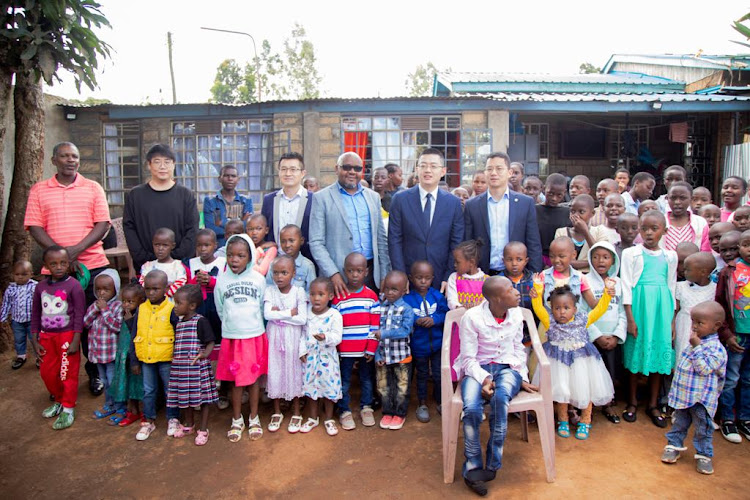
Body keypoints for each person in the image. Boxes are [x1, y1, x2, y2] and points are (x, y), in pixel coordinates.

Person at [25, 141, 111, 395]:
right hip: (56, 273)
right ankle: (61, 377)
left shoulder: (92, 187)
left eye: (74, 156)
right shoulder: (39, 190)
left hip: (92, 267)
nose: (70, 160)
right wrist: (61, 258)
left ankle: (94, 373)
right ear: (54, 160)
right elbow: (34, 226)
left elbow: (102, 224)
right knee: (58, 327)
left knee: (91, 324)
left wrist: (73, 251)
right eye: (64, 156)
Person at [453, 277, 537, 496]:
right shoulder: (472, 318)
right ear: (497, 299)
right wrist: (484, 379)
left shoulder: (517, 313)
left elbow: (519, 349)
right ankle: (473, 465)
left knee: (501, 400)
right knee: (471, 409)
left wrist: (522, 376)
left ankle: (492, 464)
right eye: (510, 289)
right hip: (477, 369)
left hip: (507, 368)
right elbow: (468, 359)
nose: (517, 292)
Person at [530, 278, 616, 440]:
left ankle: (585, 419)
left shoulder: (584, 320)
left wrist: (607, 294)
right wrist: (537, 291)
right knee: (562, 389)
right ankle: (563, 420)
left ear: (575, 309)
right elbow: (538, 308)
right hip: (558, 364)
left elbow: (599, 310)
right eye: (557, 308)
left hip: (582, 362)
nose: (562, 312)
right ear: (552, 309)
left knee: (585, 389)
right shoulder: (549, 321)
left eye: (566, 307)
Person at [621, 210, 677, 427]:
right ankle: (632, 402)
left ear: (664, 230)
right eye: (644, 228)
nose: (649, 233)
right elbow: (626, 285)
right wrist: (630, 318)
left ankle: (653, 404)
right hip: (639, 306)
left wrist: (671, 320)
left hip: (661, 309)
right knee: (637, 352)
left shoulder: (670, 256)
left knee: (657, 356)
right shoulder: (631, 254)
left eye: (654, 228)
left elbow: (671, 287)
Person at [309, 152, 390, 298]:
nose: (352, 171)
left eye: (357, 168)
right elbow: (316, 242)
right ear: (336, 169)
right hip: (339, 276)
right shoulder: (321, 198)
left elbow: (381, 240)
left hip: (371, 274)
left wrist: (384, 274)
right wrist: (333, 273)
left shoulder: (373, 197)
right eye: (346, 167)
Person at [661, 302, 727, 475]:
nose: (695, 327)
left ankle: (704, 455)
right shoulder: (694, 343)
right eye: (693, 322)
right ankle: (674, 445)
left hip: (702, 400)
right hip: (685, 396)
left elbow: (703, 369)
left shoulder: (716, 349)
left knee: (703, 429)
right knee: (679, 423)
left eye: (700, 323)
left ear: (716, 326)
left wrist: (697, 347)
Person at [214, 234, 268, 442]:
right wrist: (231, 325)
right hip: (233, 338)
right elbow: (220, 308)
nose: (234, 259)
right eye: (230, 255)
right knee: (236, 382)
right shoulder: (222, 280)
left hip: (254, 336)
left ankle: (254, 417)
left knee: (253, 380)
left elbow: (262, 307)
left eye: (241, 255)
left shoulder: (258, 279)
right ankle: (237, 420)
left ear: (250, 257)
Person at [388, 148, 464, 290]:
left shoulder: (453, 203)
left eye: (433, 166)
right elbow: (394, 240)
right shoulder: (400, 199)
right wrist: (401, 275)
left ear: (443, 171)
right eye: (423, 166)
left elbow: (456, 242)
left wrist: (449, 276)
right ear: (417, 169)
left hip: (440, 275)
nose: (428, 170)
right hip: (409, 276)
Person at [32, 246, 86, 430]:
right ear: (45, 266)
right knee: (47, 372)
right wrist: (34, 338)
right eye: (53, 264)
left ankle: (69, 408)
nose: (59, 267)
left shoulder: (74, 286)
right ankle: (59, 400)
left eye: (63, 263)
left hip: (67, 336)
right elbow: (36, 313)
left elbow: (79, 314)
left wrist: (76, 339)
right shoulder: (40, 287)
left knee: (66, 373)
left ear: (69, 264)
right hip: (47, 337)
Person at [123, 143, 199, 272]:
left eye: (167, 162)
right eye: (157, 162)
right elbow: (129, 228)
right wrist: (145, 258)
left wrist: (175, 257)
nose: (162, 166)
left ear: (174, 164)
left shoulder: (185, 195)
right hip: (145, 265)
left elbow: (192, 229)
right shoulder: (135, 195)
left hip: (179, 266)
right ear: (149, 165)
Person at [465, 152, 543, 274]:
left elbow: (533, 243)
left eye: (499, 169)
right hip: (482, 273)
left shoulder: (525, 203)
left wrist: (534, 274)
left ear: (509, 172)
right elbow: (468, 243)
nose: (493, 173)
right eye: (489, 169)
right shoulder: (472, 205)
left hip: (516, 274)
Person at [129, 270, 181, 441]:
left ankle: (173, 418)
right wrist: (134, 360)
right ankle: (148, 420)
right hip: (146, 358)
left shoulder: (172, 309)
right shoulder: (141, 309)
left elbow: (178, 334)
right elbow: (134, 334)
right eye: (148, 289)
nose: (151, 293)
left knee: (170, 390)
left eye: (156, 289)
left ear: (166, 288)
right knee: (148, 391)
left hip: (167, 358)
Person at [331, 252, 380, 430]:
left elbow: (375, 326)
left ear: (366, 272)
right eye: (350, 271)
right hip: (345, 350)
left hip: (365, 349)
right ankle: (344, 410)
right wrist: (337, 348)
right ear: (344, 271)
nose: (355, 275)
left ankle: (366, 407)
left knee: (366, 379)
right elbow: (334, 324)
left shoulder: (371, 296)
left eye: (359, 271)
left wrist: (371, 348)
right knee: (344, 380)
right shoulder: (339, 297)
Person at [166, 285, 217, 445]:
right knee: (184, 398)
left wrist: (204, 354)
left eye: (178, 303)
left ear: (192, 306)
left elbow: (210, 342)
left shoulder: (200, 321)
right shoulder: (179, 323)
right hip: (181, 369)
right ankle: (189, 424)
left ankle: (203, 428)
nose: (175, 307)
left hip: (197, 369)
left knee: (203, 399)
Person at [264, 255, 308, 434]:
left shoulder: (299, 292)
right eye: (276, 273)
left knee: (294, 371)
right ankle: (277, 411)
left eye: (284, 272)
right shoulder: (269, 291)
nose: (279, 277)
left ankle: (296, 411)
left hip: (293, 338)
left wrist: (279, 314)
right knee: (275, 370)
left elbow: (302, 319)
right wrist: (290, 312)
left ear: (293, 273)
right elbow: (267, 315)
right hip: (274, 337)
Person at [585, 241, 627, 423]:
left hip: (612, 339)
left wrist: (616, 336)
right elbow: (582, 312)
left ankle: (608, 404)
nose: (600, 261)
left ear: (613, 260)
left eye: (605, 257)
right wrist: (597, 336)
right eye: (595, 256)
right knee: (591, 373)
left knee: (610, 373)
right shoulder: (585, 281)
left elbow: (622, 311)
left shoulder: (618, 283)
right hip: (593, 338)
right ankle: (588, 406)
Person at [715, 228, 750, 443]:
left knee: (748, 379)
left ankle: (745, 419)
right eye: (746, 245)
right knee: (731, 378)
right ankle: (728, 418)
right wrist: (727, 334)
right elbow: (720, 305)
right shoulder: (729, 272)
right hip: (737, 336)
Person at [403, 260, 448, 423]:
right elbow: (404, 316)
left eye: (427, 278)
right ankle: (422, 404)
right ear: (411, 278)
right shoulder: (407, 299)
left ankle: (441, 401)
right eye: (419, 277)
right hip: (419, 346)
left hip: (437, 344)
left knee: (438, 374)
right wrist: (416, 320)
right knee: (421, 375)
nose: (423, 281)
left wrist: (434, 319)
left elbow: (446, 314)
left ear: (432, 278)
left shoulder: (437, 295)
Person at [299, 277, 343, 436]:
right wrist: (302, 351)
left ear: (330, 296)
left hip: (327, 359)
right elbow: (302, 335)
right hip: (311, 359)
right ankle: (312, 418)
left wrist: (325, 337)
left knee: (328, 388)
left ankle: (329, 418)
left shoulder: (335, 315)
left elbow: (338, 337)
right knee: (311, 388)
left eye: (320, 294)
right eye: (312, 294)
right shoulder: (306, 315)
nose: (316, 298)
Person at [375, 270, 416, 430]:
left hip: (401, 357)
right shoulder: (380, 308)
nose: (390, 292)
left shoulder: (407, 310)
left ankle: (399, 414)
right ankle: (387, 412)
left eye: (394, 289)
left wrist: (384, 334)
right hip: (383, 356)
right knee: (383, 386)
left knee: (401, 388)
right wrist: (377, 353)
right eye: (387, 288)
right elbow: (374, 331)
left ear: (404, 290)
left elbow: (405, 331)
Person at [83, 269, 123, 420]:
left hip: (111, 355)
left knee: (113, 381)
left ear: (115, 290)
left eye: (106, 289)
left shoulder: (117, 307)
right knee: (105, 381)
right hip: (98, 354)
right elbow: (85, 323)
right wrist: (95, 309)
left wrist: (105, 310)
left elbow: (116, 326)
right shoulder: (94, 306)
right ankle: (109, 405)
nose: (102, 293)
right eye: (98, 289)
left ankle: (120, 408)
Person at [261, 152, 315, 264]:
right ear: (279, 172)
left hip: (305, 262)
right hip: (275, 264)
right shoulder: (269, 200)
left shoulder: (314, 200)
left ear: (302, 173)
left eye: (293, 169)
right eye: (283, 169)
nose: (288, 173)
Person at [108, 282, 145, 427]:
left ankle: (143, 412)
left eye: (130, 301)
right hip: (123, 354)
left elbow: (136, 333)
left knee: (139, 384)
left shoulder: (141, 314)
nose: (126, 305)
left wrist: (130, 320)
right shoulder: (122, 313)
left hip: (136, 355)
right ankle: (133, 411)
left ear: (140, 301)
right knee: (127, 382)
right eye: (124, 301)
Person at [673, 253, 717, 366]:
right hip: (682, 326)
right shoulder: (681, 286)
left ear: (703, 272)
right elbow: (675, 309)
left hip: (703, 329)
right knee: (680, 354)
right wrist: (672, 325)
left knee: (699, 358)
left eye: (688, 270)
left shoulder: (714, 289)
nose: (684, 272)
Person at [186, 228, 224, 347]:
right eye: (199, 245)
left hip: (217, 307)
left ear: (215, 245)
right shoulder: (191, 263)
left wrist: (211, 281)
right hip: (198, 307)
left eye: (207, 245)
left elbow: (226, 285)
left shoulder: (223, 263)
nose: (203, 249)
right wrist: (196, 281)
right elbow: (186, 288)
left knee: (217, 338)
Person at [203, 165, 253, 246]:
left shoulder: (246, 201)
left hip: (241, 246)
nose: (230, 179)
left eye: (233, 176)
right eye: (226, 176)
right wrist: (239, 224)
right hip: (218, 247)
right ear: (219, 178)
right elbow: (211, 228)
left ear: (238, 179)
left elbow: (248, 226)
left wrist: (221, 223)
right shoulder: (210, 201)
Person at [2, 260, 37, 370]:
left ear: (31, 274)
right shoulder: (11, 289)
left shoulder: (34, 286)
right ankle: (21, 356)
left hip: (32, 320)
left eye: (24, 274)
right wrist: (2, 317)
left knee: (35, 339)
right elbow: (6, 304)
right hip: (17, 321)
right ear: (13, 275)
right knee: (19, 339)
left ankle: (39, 357)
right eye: (17, 274)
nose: (20, 277)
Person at [138, 228, 187, 298]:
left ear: (172, 246)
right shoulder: (147, 266)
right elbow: (142, 282)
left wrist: (160, 296)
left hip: (170, 305)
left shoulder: (178, 266)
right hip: (150, 305)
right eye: (157, 245)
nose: (160, 248)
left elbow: (180, 285)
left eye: (165, 245)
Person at [662, 182, 711, 252]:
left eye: (682, 198)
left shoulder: (700, 223)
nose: (677, 202)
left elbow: (705, 251)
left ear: (691, 199)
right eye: (673, 198)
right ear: (667, 199)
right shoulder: (660, 222)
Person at [536, 173, 571, 266]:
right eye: (550, 193)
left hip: (560, 260)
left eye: (559, 195)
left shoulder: (567, 213)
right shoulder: (534, 210)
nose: (554, 198)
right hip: (538, 258)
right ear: (544, 189)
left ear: (565, 192)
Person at [555, 194, 595, 272]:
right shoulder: (561, 232)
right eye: (573, 211)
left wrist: (585, 232)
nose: (576, 215)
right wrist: (591, 262)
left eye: (581, 212)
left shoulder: (599, 231)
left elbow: (599, 254)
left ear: (592, 213)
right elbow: (561, 260)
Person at [446, 240, 489, 310]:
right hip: (459, 317)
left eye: (458, 262)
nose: (454, 265)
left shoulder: (487, 281)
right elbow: (451, 300)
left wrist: (478, 305)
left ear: (471, 262)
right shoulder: (454, 278)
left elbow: (488, 302)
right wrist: (459, 307)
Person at [275, 224, 316, 291]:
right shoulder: (275, 264)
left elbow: (311, 292)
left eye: (291, 241)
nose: (287, 245)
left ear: (301, 241)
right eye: (283, 241)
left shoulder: (308, 266)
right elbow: (269, 287)